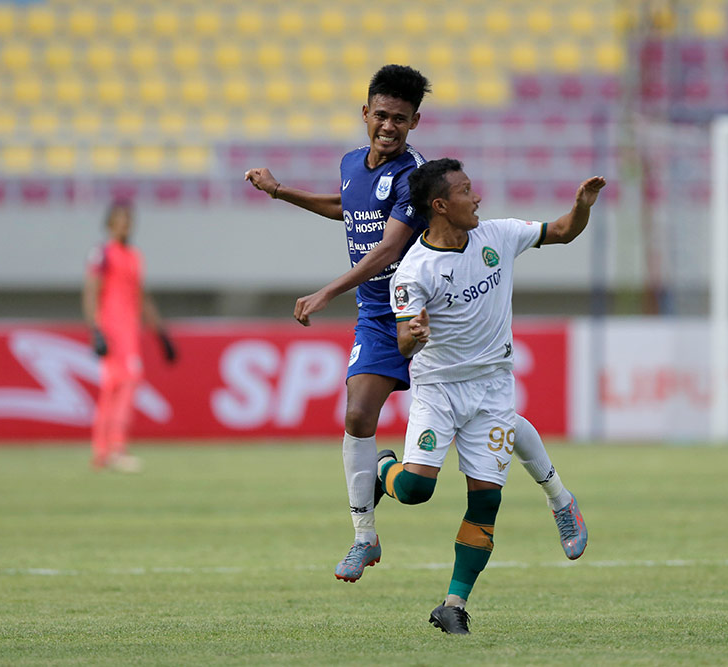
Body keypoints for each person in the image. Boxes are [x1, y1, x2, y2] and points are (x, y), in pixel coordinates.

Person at [244, 64, 586, 583]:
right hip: (382, 319)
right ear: (365, 114)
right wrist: (280, 191)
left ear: (414, 123)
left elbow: (386, 250)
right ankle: (364, 537)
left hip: (434, 312)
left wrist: (325, 292)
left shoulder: (415, 174)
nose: (388, 126)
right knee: (358, 415)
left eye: (399, 119)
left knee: (487, 408)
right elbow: (347, 206)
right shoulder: (351, 164)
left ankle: (557, 497)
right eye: (381, 115)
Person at [382, 158, 605, 634]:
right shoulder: (413, 271)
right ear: (440, 205)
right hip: (438, 389)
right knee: (415, 490)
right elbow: (403, 338)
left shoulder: (498, 234)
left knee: (485, 500)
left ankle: (453, 605)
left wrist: (581, 207)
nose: (477, 196)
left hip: (492, 386)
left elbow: (563, 230)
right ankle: (383, 468)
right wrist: (413, 334)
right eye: (466, 191)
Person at [82, 200, 176, 472]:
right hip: (111, 331)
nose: (125, 225)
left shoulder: (134, 256)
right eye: (120, 220)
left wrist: (161, 334)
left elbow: (142, 297)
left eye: (128, 220)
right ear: (110, 224)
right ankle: (112, 448)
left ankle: (105, 451)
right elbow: (91, 292)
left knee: (119, 386)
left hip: (129, 332)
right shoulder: (102, 254)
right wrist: (95, 330)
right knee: (118, 386)